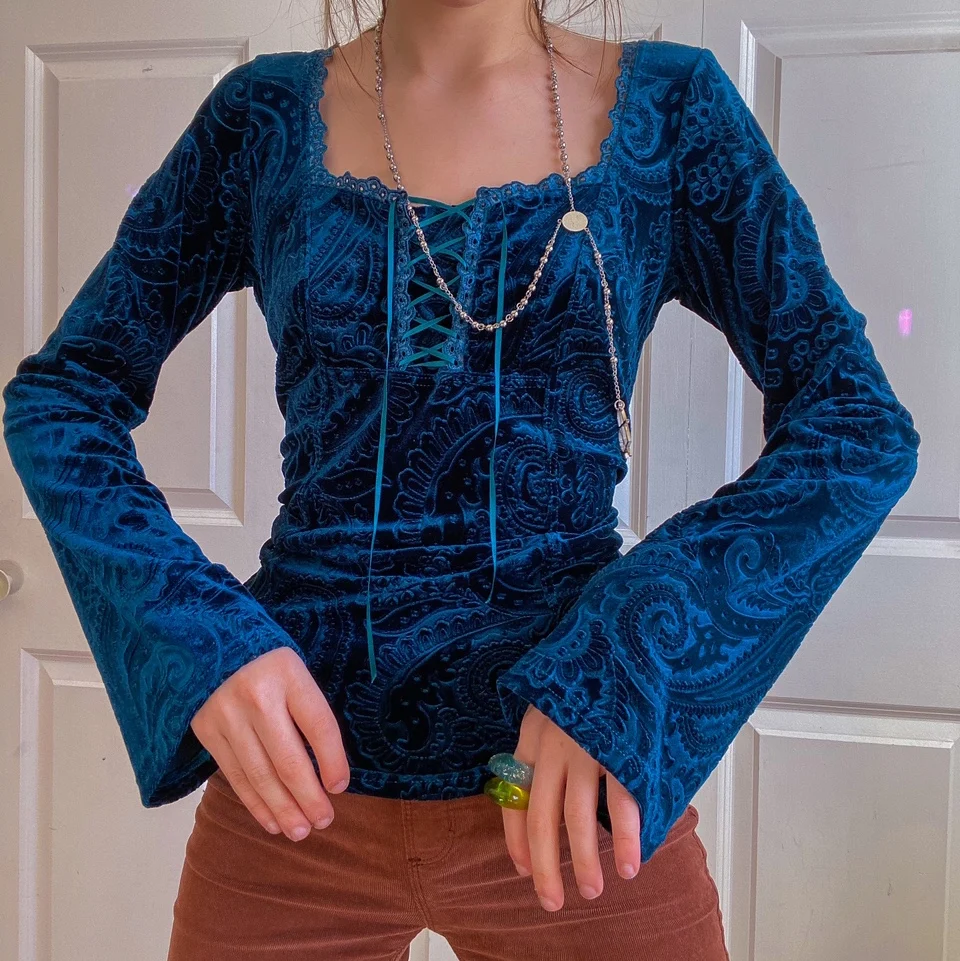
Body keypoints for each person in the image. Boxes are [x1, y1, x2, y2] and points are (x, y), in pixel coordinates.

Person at [1, 0, 920, 958]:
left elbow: (856, 427)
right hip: (294, 801)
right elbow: (64, 397)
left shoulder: (672, 112)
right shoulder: (258, 120)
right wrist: (200, 640)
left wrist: (626, 661)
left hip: (574, 803)